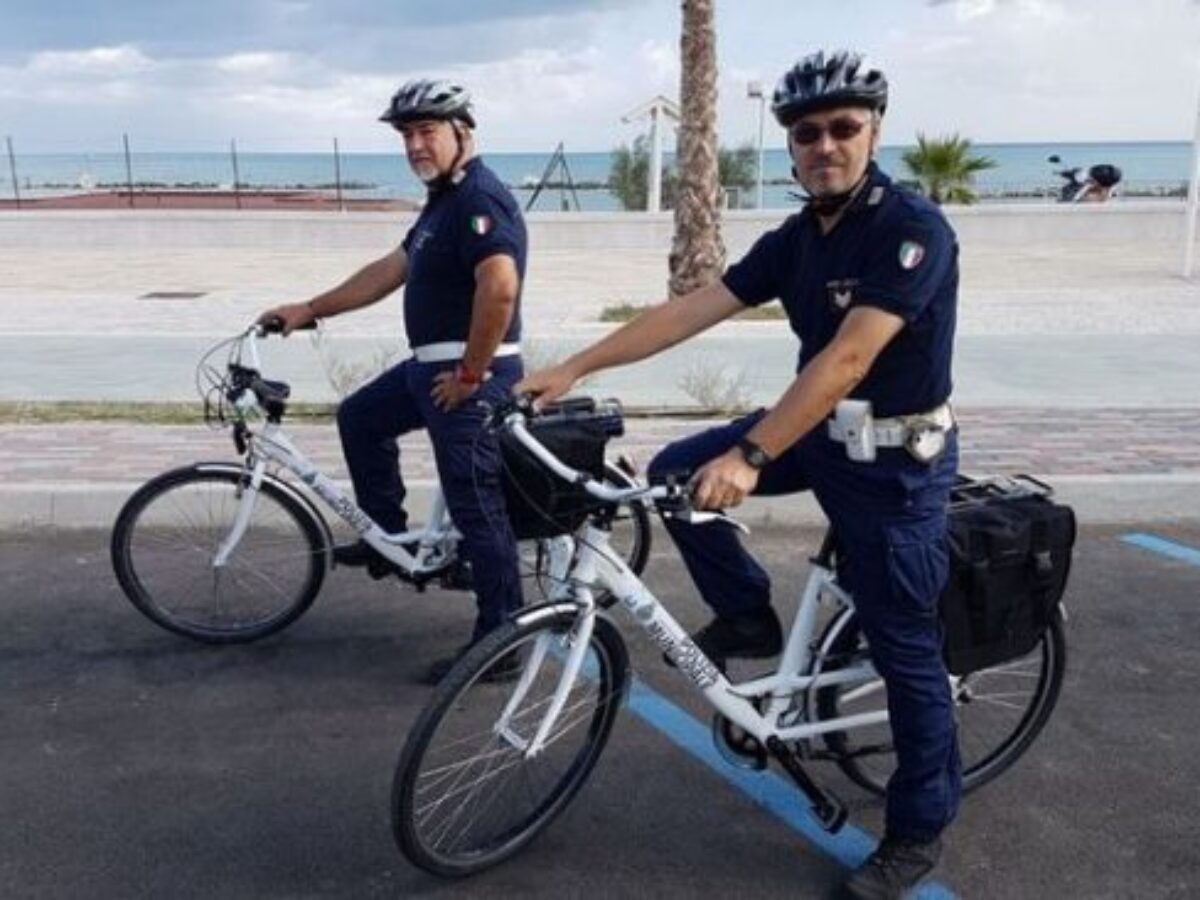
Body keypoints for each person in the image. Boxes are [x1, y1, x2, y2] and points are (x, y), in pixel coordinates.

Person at [518, 50, 960, 899]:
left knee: (907, 652)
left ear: (873, 132)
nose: (824, 145)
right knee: (677, 472)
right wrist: (574, 365)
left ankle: (917, 828)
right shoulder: (797, 238)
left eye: (842, 128)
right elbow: (694, 309)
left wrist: (752, 454)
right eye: (806, 133)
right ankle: (749, 617)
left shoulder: (911, 230)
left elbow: (849, 357)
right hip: (823, 436)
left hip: (899, 464)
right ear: (790, 147)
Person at [260, 79, 527, 683]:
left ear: (462, 132)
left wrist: (471, 374)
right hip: (429, 369)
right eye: (407, 135)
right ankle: (388, 535)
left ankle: (502, 639)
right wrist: (311, 307)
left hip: (468, 375)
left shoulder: (481, 199)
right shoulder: (442, 203)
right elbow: (388, 271)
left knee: (477, 504)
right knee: (360, 418)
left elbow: (500, 288)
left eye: (426, 131)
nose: (414, 145)